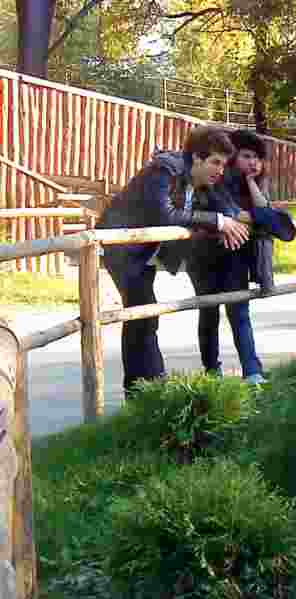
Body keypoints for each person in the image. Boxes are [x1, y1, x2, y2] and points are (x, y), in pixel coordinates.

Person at [97, 126, 251, 398]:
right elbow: (164, 214)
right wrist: (217, 221)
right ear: (196, 158)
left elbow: (222, 205)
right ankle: (152, 388)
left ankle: (141, 390)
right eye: (215, 162)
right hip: (121, 247)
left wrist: (231, 219)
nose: (220, 170)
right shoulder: (165, 171)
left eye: (224, 164)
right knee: (144, 314)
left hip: (142, 252)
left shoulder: (198, 180)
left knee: (142, 316)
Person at [186, 129, 296, 385]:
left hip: (235, 255)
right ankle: (212, 371)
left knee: (239, 311)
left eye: (257, 158)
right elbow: (215, 210)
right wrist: (250, 219)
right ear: (233, 156)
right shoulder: (215, 181)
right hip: (204, 257)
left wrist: (251, 190)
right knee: (209, 312)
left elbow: (273, 222)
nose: (253, 162)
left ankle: (252, 372)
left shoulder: (253, 185)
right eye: (247, 156)